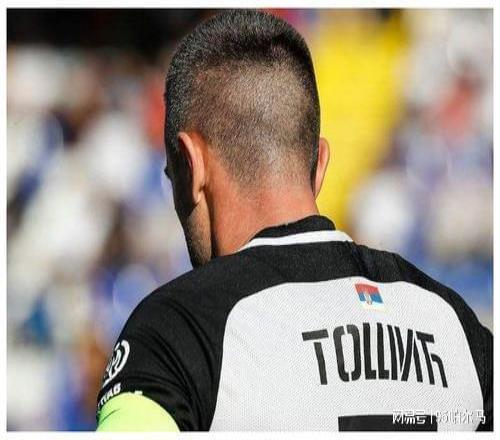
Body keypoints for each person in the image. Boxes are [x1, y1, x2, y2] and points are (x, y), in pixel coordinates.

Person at [96, 9, 492, 431]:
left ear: (192, 166)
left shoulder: (177, 331)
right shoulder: (456, 326)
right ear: (319, 165)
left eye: (171, 174)